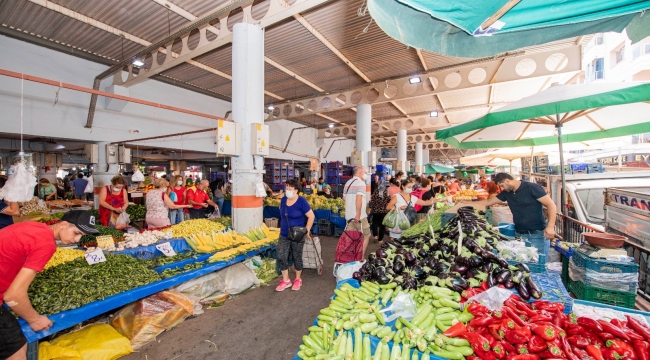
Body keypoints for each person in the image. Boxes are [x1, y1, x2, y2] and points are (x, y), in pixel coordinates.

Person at [0, 210, 98, 360]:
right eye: (76, 233)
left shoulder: (37, 227)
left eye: (81, 236)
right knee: (16, 350)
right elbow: (13, 296)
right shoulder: (46, 244)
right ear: (63, 225)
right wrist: (35, 319)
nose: (77, 240)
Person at [480, 173, 557, 256]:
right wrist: (465, 203)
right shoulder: (507, 192)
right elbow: (488, 202)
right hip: (519, 235)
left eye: (502, 186)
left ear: (507, 181)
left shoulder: (532, 188)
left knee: (538, 264)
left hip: (536, 235)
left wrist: (550, 226)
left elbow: (551, 205)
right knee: (523, 264)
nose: (502, 188)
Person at [276, 179, 315, 292]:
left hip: (297, 235)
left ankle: (298, 279)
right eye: (286, 188)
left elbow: (311, 216)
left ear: (296, 191)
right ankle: (286, 280)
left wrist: (307, 230)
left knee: (296, 257)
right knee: (281, 256)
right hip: (284, 234)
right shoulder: (283, 200)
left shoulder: (301, 201)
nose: (287, 190)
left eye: (290, 188)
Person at [343, 166, 372, 258]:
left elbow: (344, 198)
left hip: (348, 216)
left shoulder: (348, 183)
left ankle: (352, 256)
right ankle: (360, 257)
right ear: (360, 173)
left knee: (351, 237)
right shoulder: (361, 183)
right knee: (366, 235)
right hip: (359, 216)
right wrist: (358, 214)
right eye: (365, 172)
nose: (366, 174)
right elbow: (358, 198)